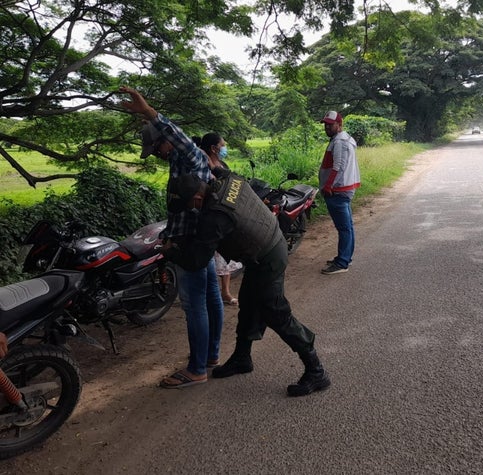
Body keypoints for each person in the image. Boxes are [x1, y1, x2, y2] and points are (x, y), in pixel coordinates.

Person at [164, 171, 331, 397]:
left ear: (197, 198)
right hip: (265, 248)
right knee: (249, 303)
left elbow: (196, 261)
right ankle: (242, 358)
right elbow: (223, 171)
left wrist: (170, 252)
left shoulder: (215, 217)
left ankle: (316, 370)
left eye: (188, 206)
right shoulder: (228, 180)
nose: (190, 210)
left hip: (269, 258)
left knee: (276, 314)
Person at [119, 86, 224, 389]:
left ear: (167, 141)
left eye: (157, 149)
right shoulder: (181, 163)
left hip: (190, 245)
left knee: (195, 306)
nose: (157, 155)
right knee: (211, 297)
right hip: (198, 241)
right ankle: (210, 356)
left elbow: (180, 138)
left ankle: (197, 369)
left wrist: (150, 113)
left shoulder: (191, 157)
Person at [197, 132, 240, 306]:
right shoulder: (205, 167)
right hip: (212, 217)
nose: (224, 148)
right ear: (214, 148)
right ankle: (214, 295)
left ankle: (225, 292)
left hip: (224, 215)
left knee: (224, 257)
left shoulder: (221, 164)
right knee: (213, 259)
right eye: (222, 145)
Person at [318, 111, 360, 275]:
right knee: (347, 227)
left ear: (339, 124)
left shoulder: (340, 142)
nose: (327, 127)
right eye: (325, 124)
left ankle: (342, 262)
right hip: (343, 189)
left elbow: (339, 167)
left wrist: (328, 186)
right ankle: (345, 257)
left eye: (330, 124)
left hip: (338, 191)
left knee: (344, 228)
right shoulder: (343, 139)